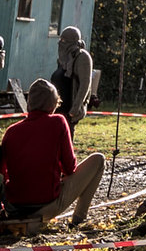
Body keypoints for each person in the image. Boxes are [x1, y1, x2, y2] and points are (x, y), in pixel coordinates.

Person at [0, 77, 105, 230]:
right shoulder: (58, 122)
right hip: (46, 204)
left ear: (29, 103)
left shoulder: (11, 131)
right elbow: (70, 168)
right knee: (99, 160)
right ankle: (78, 219)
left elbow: (3, 173)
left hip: (15, 206)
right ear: (53, 104)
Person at [53, 26, 93, 135]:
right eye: (60, 40)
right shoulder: (63, 57)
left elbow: (85, 84)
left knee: (66, 138)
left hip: (69, 108)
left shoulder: (82, 57)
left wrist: (75, 109)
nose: (60, 43)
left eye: (64, 40)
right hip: (57, 109)